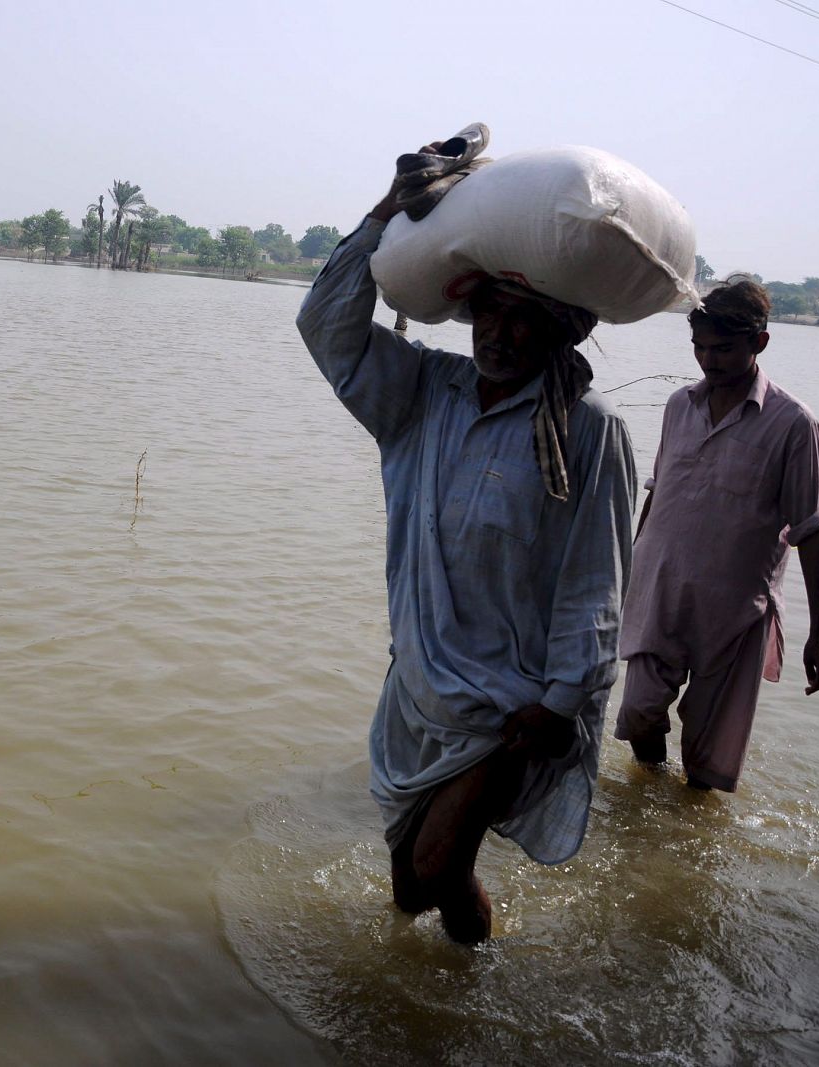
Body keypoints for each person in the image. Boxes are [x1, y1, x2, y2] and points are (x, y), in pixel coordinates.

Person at [295, 148, 637, 944]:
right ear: (467, 310)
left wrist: (561, 703)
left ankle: (468, 980)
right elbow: (325, 326)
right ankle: (439, 1001)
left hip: (511, 705)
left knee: (439, 865)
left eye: (526, 320)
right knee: (410, 890)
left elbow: (595, 582)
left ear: (560, 334)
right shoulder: (422, 394)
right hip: (417, 684)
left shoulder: (590, 436)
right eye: (489, 311)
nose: (502, 334)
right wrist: (384, 211)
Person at [616, 281, 819, 791]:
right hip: (660, 593)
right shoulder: (679, 405)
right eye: (699, 348)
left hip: (734, 612)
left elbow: (812, 531)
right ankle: (646, 804)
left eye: (722, 349)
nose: (708, 361)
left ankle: (689, 822)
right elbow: (659, 492)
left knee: (707, 754)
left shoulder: (794, 425)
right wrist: (629, 569)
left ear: (759, 343)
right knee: (640, 712)